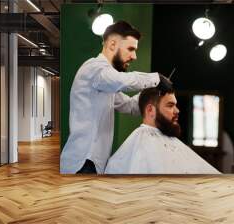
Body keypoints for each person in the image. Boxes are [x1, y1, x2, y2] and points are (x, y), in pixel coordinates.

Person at [60, 21, 172, 174]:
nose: (134, 56)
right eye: (131, 49)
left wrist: (153, 92)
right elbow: (121, 80)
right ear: (112, 44)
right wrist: (157, 78)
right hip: (83, 163)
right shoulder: (94, 69)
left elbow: (130, 106)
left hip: (93, 164)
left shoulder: (104, 82)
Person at [104, 88, 221, 174]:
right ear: (150, 110)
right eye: (170, 106)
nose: (177, 110)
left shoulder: (170, 141)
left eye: (175, 105)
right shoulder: (139, 147)